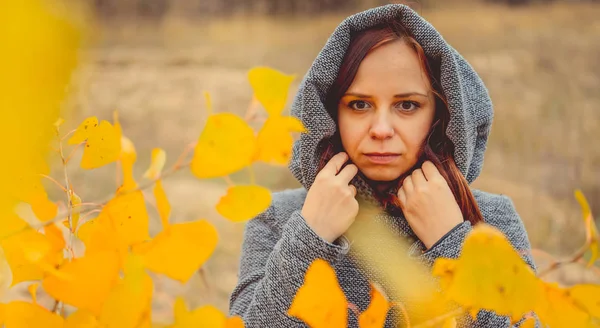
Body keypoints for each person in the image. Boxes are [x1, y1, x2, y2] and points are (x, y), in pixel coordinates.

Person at [229, 4, 537, 327]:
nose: (381, 129)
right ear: (331, 114)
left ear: (441, 116)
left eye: (407, 105)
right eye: (359, 105)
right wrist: (309, 236)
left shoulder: (489, 223)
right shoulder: (276, 220)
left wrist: (452, 243)